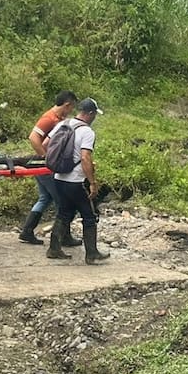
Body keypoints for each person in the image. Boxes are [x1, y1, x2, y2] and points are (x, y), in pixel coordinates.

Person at [45, 97, 109, 265]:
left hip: (59, 178)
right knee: (89, 215)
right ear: (89, 113)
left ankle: (54, 248)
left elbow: (46, 144)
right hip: (76, 181)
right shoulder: (87, 132)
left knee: (64, 213)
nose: (95, 117)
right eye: (94, 114)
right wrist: (93, 183)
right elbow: (85, 157)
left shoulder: (63, 124)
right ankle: (92, 254)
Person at [18, 90, 82, 247]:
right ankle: (63, 237)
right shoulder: (49, 118)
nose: (71, 111)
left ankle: (27, 230)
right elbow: (33, 137)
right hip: (46, 167)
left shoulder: (59, 118)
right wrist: (46, 158)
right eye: (71, 108)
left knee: (45, 198)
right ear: (67, 105)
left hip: (44, 166)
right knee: (62, 202)